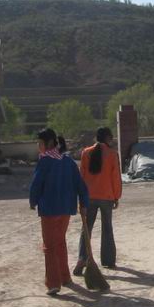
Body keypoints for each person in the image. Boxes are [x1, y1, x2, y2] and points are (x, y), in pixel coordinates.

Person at [29, 128, 89, 296]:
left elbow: (36, 184)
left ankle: (53, 283)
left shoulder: (45, 161)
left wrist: (33, 201)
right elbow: (80, 184)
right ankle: (65, 277)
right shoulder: (68, 161)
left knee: (49, 246)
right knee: (60, 242)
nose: (38, 146)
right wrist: (84, 203)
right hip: (66, 209)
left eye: (40, 143)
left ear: (48, 143)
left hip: (50, 209)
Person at [75, 127, 122, 273]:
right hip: (107, 196)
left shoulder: (86, 153)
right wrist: (116, 196)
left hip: (89, 197)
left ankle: (82, 258)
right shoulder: (112, 154)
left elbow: (81, 177)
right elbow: (115, 177)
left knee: (86, 228)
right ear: (107, 138)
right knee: (107, 228)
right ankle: (108, 260)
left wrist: (81, 197)